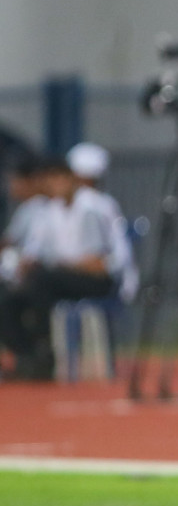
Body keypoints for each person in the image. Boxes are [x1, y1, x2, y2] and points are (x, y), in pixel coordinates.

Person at [0, 157, 119, 379]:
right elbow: (35, 254)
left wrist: (60, 265)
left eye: (58, 180)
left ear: (71, 180)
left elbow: (98, 263)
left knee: (44, 278)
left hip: (94, 281)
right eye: (49, 181)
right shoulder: (49, 213)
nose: (54, 186)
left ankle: (46, 349)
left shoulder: (88, 211)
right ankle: (30, 357)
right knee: (8, 302)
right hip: (55, 282)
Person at [66, 143, 137, 303]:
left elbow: (93, 255)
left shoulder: (86, 203)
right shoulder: (106, 202)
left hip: (103, 274)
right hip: (117, 272)